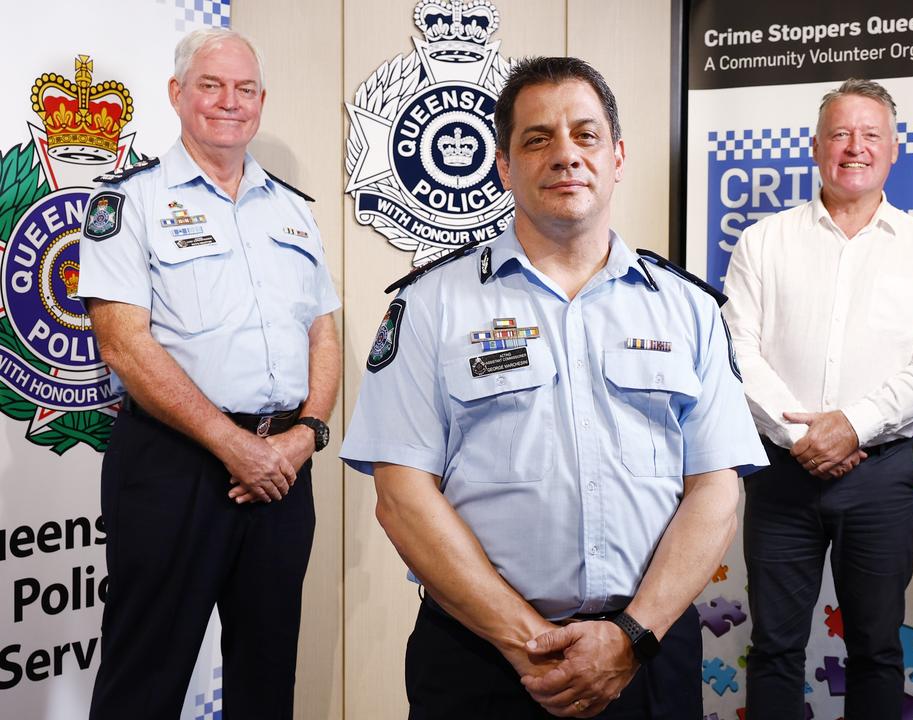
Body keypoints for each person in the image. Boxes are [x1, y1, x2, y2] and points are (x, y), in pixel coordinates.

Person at [340, 56, 766, 720]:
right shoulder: (431, 305)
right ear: (506, 167)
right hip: (481, 660)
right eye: (537, 139)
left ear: (618, 155)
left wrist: (628, 638)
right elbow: (401, 497)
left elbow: (715, 489)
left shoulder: (688, 309)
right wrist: (528, 641)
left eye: (586, 135)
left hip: (646, 654)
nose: (565, 155)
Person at [78, 28, 341, 719]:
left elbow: (324, 331)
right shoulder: (127, 203)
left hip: (283, 466)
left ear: (261, 101)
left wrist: (307, 432)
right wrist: (234, 446)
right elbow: (124, 345)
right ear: (177, 94)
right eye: (212, 86)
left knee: (265, 673)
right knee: (146, 675)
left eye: (245, 89)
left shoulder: (291, 209)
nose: (230, 102)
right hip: (174, 468)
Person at [722, 78, 913, 719]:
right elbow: (738, 350)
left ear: (894, 149)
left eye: (870, 135)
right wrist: (802, 437)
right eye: (840, 133)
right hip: (780, 473)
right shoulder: (763, 242)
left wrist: (851, 427)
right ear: (815, 145)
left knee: (877, 649)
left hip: (880, 476)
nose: (854, 148)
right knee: (774, 647)